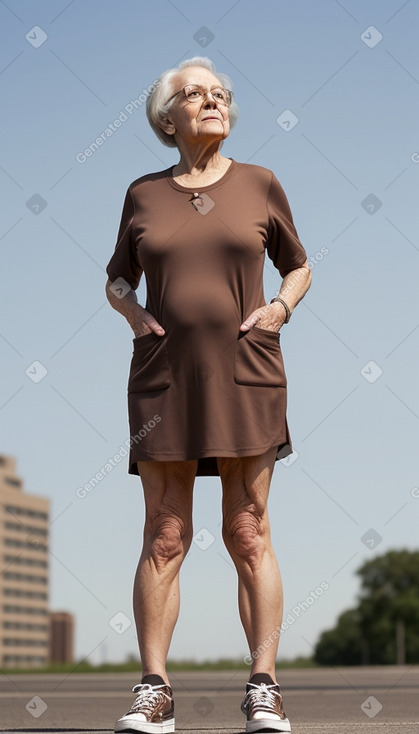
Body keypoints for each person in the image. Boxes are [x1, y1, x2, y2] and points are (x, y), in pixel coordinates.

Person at [105, 56, 311, 734]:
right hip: (162, 380)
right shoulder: (142, 194)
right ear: (167, 118)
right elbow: (115, 279)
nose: (211, 101)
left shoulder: (259, 184)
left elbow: (299, 264)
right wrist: (134, 317)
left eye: (219, 94)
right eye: (195, 95)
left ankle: (263, 688)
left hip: (246, 373)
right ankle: (155, 692)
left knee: (246, 530)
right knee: (165, 533)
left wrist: (279, 307)